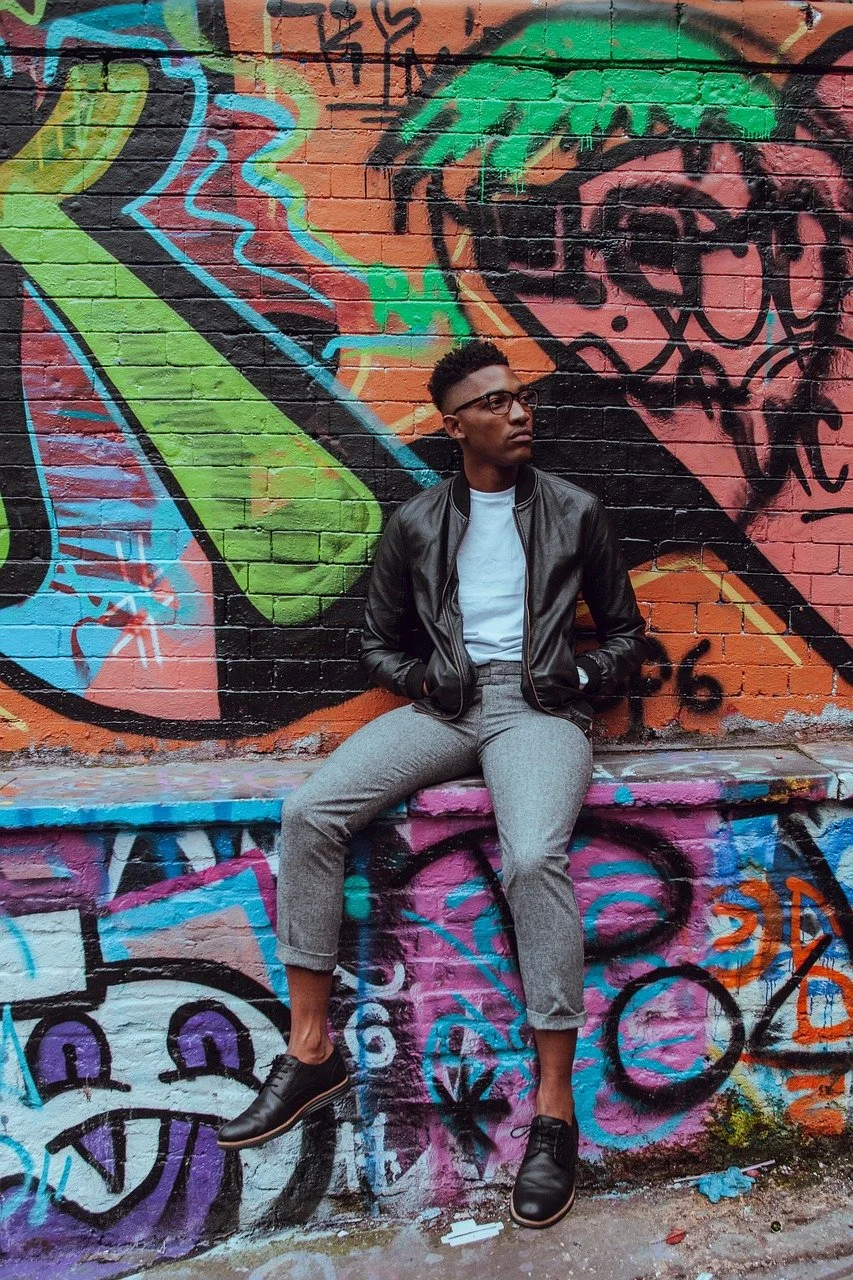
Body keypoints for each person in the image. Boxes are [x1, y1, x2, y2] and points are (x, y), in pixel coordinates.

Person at [217, 339, 647, 1227]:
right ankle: (309, 1052)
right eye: (493, 403)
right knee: (311, 812)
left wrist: (573, 682)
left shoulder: (575, 510)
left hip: (538, 712)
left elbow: (625, 635)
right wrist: (420, 683)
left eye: (519, 397)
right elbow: (375, 641)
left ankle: (554, 1117)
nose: (517, 413)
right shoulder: (416, 521)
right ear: (455, 427)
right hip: (446, 707)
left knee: (533, 858)